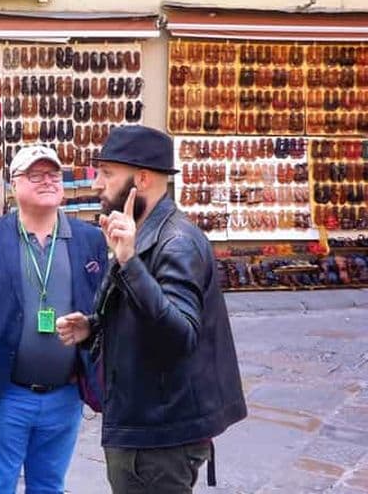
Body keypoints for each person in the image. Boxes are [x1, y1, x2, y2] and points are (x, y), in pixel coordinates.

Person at [56, 125, 247, 493]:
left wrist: (128, 262)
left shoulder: (176, 243)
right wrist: (94, 326)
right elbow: (143, 314)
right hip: (145, 422)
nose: (97, 183)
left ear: (141, 179)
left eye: (108, 173)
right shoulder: (142, 232)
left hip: (160, 436)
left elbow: (180, 335)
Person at [0, 145, 107, 494]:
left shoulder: (89, 240)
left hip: (65, 396)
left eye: (53, 175)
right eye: (35, 175)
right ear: (14, 184)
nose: (48, 181)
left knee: (49, 486)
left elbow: (104, 310)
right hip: (8, 394)